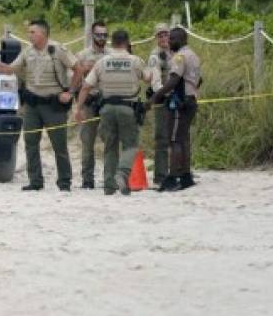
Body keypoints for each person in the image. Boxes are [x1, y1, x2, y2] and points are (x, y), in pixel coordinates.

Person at [0, 19, 79, 191]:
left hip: (53, 104)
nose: (29, 35)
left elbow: (79, 68)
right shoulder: (27, 52)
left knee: (59, 144)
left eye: (33, 32)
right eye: (29, 32)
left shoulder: (58, 50)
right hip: (33, 104)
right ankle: (35, 181)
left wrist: (70, 92)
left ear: (43, 33)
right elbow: (12, 69)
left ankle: (64, 182)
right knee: (30, 142)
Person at [75, 30, 152, 195]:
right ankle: (122, 174)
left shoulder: (102, 62)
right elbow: (147, 78)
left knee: (110, 146)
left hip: (106, 108)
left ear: (112, 42)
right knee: (131, 145)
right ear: (127, 42)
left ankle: (109, 186)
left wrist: (78, 108)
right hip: (127, 107)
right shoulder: (135, 61)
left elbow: (86, 86)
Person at [152, 26, 202, 192]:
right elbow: (199, 80)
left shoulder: (179, 57)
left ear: (180, 40)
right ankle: (186, 176)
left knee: (174, 141)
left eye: (172, 38)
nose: (169, 41)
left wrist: (154, 98)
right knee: (183, 139)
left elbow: (172, 81)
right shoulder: (194, 55)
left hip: (180, 103)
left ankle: (172, 177)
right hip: (192, 100)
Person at [74, 20, 112, 189]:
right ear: (92, 35)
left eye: (105, 35)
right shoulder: (82, 55)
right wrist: (82, 68)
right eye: (99, 34)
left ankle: (109, 178)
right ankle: (87, 180)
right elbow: (73, 78)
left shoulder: (112, 54)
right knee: (87, 143)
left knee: (110, 140)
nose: (102, 38)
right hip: (89, 102)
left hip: (106, 102)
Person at [145, 23, 173, 185]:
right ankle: (160, 176)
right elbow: (155, 82)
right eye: (160, 35)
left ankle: (179, 171)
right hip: (163, 100)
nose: (164, 38)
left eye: (166, 34)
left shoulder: (176, 51)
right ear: (156, 38)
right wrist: (166, 95)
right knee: (162, 138)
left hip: (177, 99)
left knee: (178, 138)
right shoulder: (155, 56)